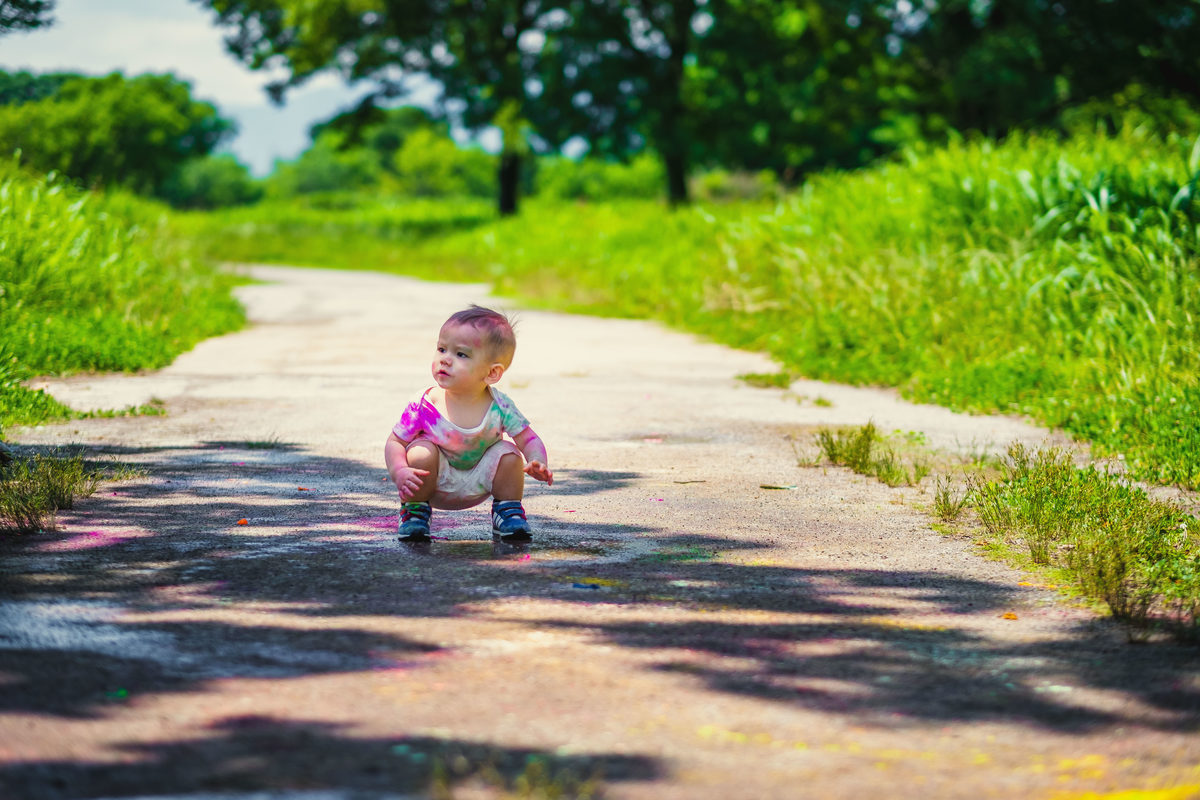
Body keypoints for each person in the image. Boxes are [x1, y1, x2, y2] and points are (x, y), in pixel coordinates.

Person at [384, 305, 553, 543]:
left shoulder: (500, 406)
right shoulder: (424, 403)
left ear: (492, 373)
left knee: (510, 454)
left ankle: (508, 510)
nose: (445, 359)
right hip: (434, 480)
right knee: (420, 451)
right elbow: (395, 442)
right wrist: (399, 469)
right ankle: (414, 512)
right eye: (442, 349)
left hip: (479, 478)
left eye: (460, 354)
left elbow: (528, 438)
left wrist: (538, 461)